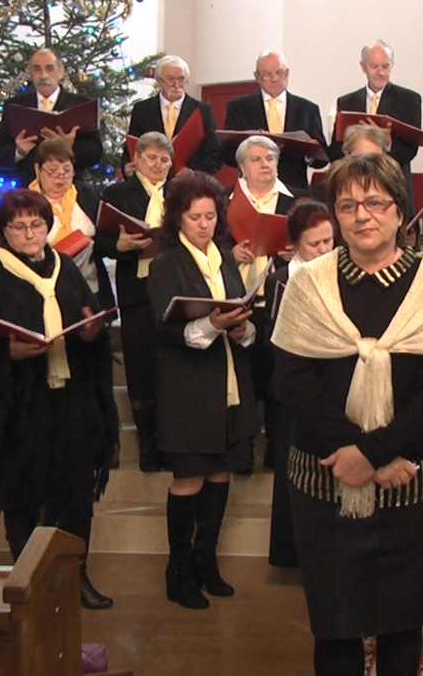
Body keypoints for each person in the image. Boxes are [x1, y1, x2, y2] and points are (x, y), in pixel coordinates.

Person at [271, 152, 423, 676]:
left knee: (403, 626)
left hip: (413, 479)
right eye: (349, 204)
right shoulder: (309, 283)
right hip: (325, 479)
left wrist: (373, 454)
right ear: (335, 214)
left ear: (400, 211)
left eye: (376, 202)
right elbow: (294, 381)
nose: (363, 215)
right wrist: (359, 458)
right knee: (335, 625)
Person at [0, 189, 118, 610]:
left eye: (37, 224)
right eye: (18, 226)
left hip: (70, 401)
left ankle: (77, 577)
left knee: (77, 495)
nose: (29, 233)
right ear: (3, 231)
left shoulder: (66, 268)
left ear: (49, 226)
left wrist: (91, 331)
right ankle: (28, 584)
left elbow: (91, 314)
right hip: (17, 405)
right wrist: (5, 352)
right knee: (21, 496)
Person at [146, 172, 258, 610]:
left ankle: (207, 562)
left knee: (221, 472)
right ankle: (179, 570)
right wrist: (212, 324)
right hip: (187, 387)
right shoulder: (165, 263)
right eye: (195, 217)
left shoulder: (225, 258)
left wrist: (241, 326)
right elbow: (165, 329)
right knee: (190, 476)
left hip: (228, 380)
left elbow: (239, 314)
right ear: (178, 218)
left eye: (211, 216)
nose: (204, 224)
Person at [264, 198, 336, 569]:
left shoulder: (340, 272)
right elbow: (273, 340)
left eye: (329, 242)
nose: (325, 250)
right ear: (294, 245)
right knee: (293, 476)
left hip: (333, 386)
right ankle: (294, 555)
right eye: (316, 244)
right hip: (292, 391)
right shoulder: (280, 279)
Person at [96, 132, 173, 473]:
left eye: (164, 160)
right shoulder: (117, 193)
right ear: (137, 159)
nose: (157, 165)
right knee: (141, 368)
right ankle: (147, 446)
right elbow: (100, 241)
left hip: (174, 287)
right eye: (151, 158)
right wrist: (121, 245)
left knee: (172, 368)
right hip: (136, 289)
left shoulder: (179, 192)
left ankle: (172, 441)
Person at [223, 135, 299, 470]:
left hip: (280, 300)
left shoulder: (293, 202)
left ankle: (274, 447)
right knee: (243, 376)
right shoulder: (225, 202)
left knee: (277, 376)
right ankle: (242, 448)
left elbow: (311, 243)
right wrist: (230, 252)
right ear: (241, 166)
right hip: (239, 299)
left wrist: (295, 251)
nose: (265, 164)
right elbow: (208, 247)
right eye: (256, 159)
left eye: (270, 158)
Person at [0, 47, 104, 184]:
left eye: (49, 68)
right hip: (28, 190)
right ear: (31, 72)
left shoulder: (81, 104)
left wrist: (69, 146)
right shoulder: (15, 106)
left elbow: (95, 153)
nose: (43, 75)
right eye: (37, 69)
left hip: (70, 188)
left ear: (60, 71)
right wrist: (19, 151)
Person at [30, 138, 115, 315]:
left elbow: (102, 238)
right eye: (53, 170)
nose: (61, 175)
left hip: (89, 289)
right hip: (45, 292)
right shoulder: (26, 203)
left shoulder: (86, 195)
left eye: (67, 170)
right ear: (38, 170)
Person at [223, 50, 328, 191]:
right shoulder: (239, 107)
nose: (274, 79)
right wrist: (252, 150)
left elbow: (322, 160)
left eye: (280, 73)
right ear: (257, 77)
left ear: (287, 73)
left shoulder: (307, 109)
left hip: (295, 189)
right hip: (253, 189)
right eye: (267, 74)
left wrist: (310, 151)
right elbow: (227, 153)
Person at [335, 40, 422, 192]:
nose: (380, 72)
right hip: (354, 182)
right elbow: (337, 147)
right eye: (374, 66)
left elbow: (410, 150)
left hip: (393, 183)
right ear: (363, 67)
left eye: (385, 66)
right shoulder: (347, 102)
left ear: (392, 66)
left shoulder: (408, 99)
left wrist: (388, 143)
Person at [127, 55, 222, 175]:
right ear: (158, 80)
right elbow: (132, 145)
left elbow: (214, 152)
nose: (176, 84)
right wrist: (127, 168)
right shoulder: (142, 109)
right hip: (150, 181)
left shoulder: (202, 110)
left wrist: (193, 173)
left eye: (181, 79)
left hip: (188, 185)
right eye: (170, 79)